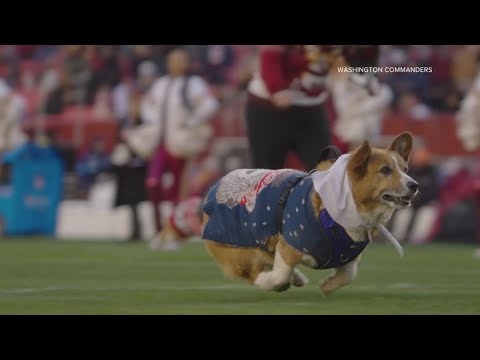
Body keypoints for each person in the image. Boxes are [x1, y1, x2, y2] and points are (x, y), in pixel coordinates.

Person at [139, 48, 219, 242]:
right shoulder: (161, 84)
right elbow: (147, 105)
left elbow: (210, 104)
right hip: (160, 143)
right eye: (172, 61)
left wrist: (191, 120)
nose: (175, 64)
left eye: (179, 60)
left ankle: (173, 231)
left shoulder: (194, 84)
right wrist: (153, 122)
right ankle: (159, 227)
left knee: (178, 190)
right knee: (153, 183)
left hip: (180, 145)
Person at [245, 45, 338, 171]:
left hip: (312, 108)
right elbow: (270, 53)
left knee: (326, 169)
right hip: (270, 108)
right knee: (267, 173)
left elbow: (352, 64)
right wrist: (276, 88)